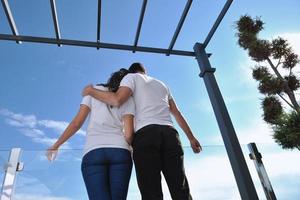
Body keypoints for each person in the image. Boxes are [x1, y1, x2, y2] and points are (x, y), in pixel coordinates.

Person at [82, 62, 202, 200]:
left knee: (151, 190)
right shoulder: (162, 84)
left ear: (131, 72)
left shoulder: (131, 78)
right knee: (180, 187)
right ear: (145, 71)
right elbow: (177, 113)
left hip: (146, 135)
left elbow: (117, 100)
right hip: (170, 134)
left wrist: (90, 91)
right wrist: (191, 138)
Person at [46, 68, 135, 200]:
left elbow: (77, 123)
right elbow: (128, 134)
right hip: (120, 151)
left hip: (94, 152)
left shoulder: (93, 92)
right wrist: (131, 149)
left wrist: (56, 145)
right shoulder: (128, 98)